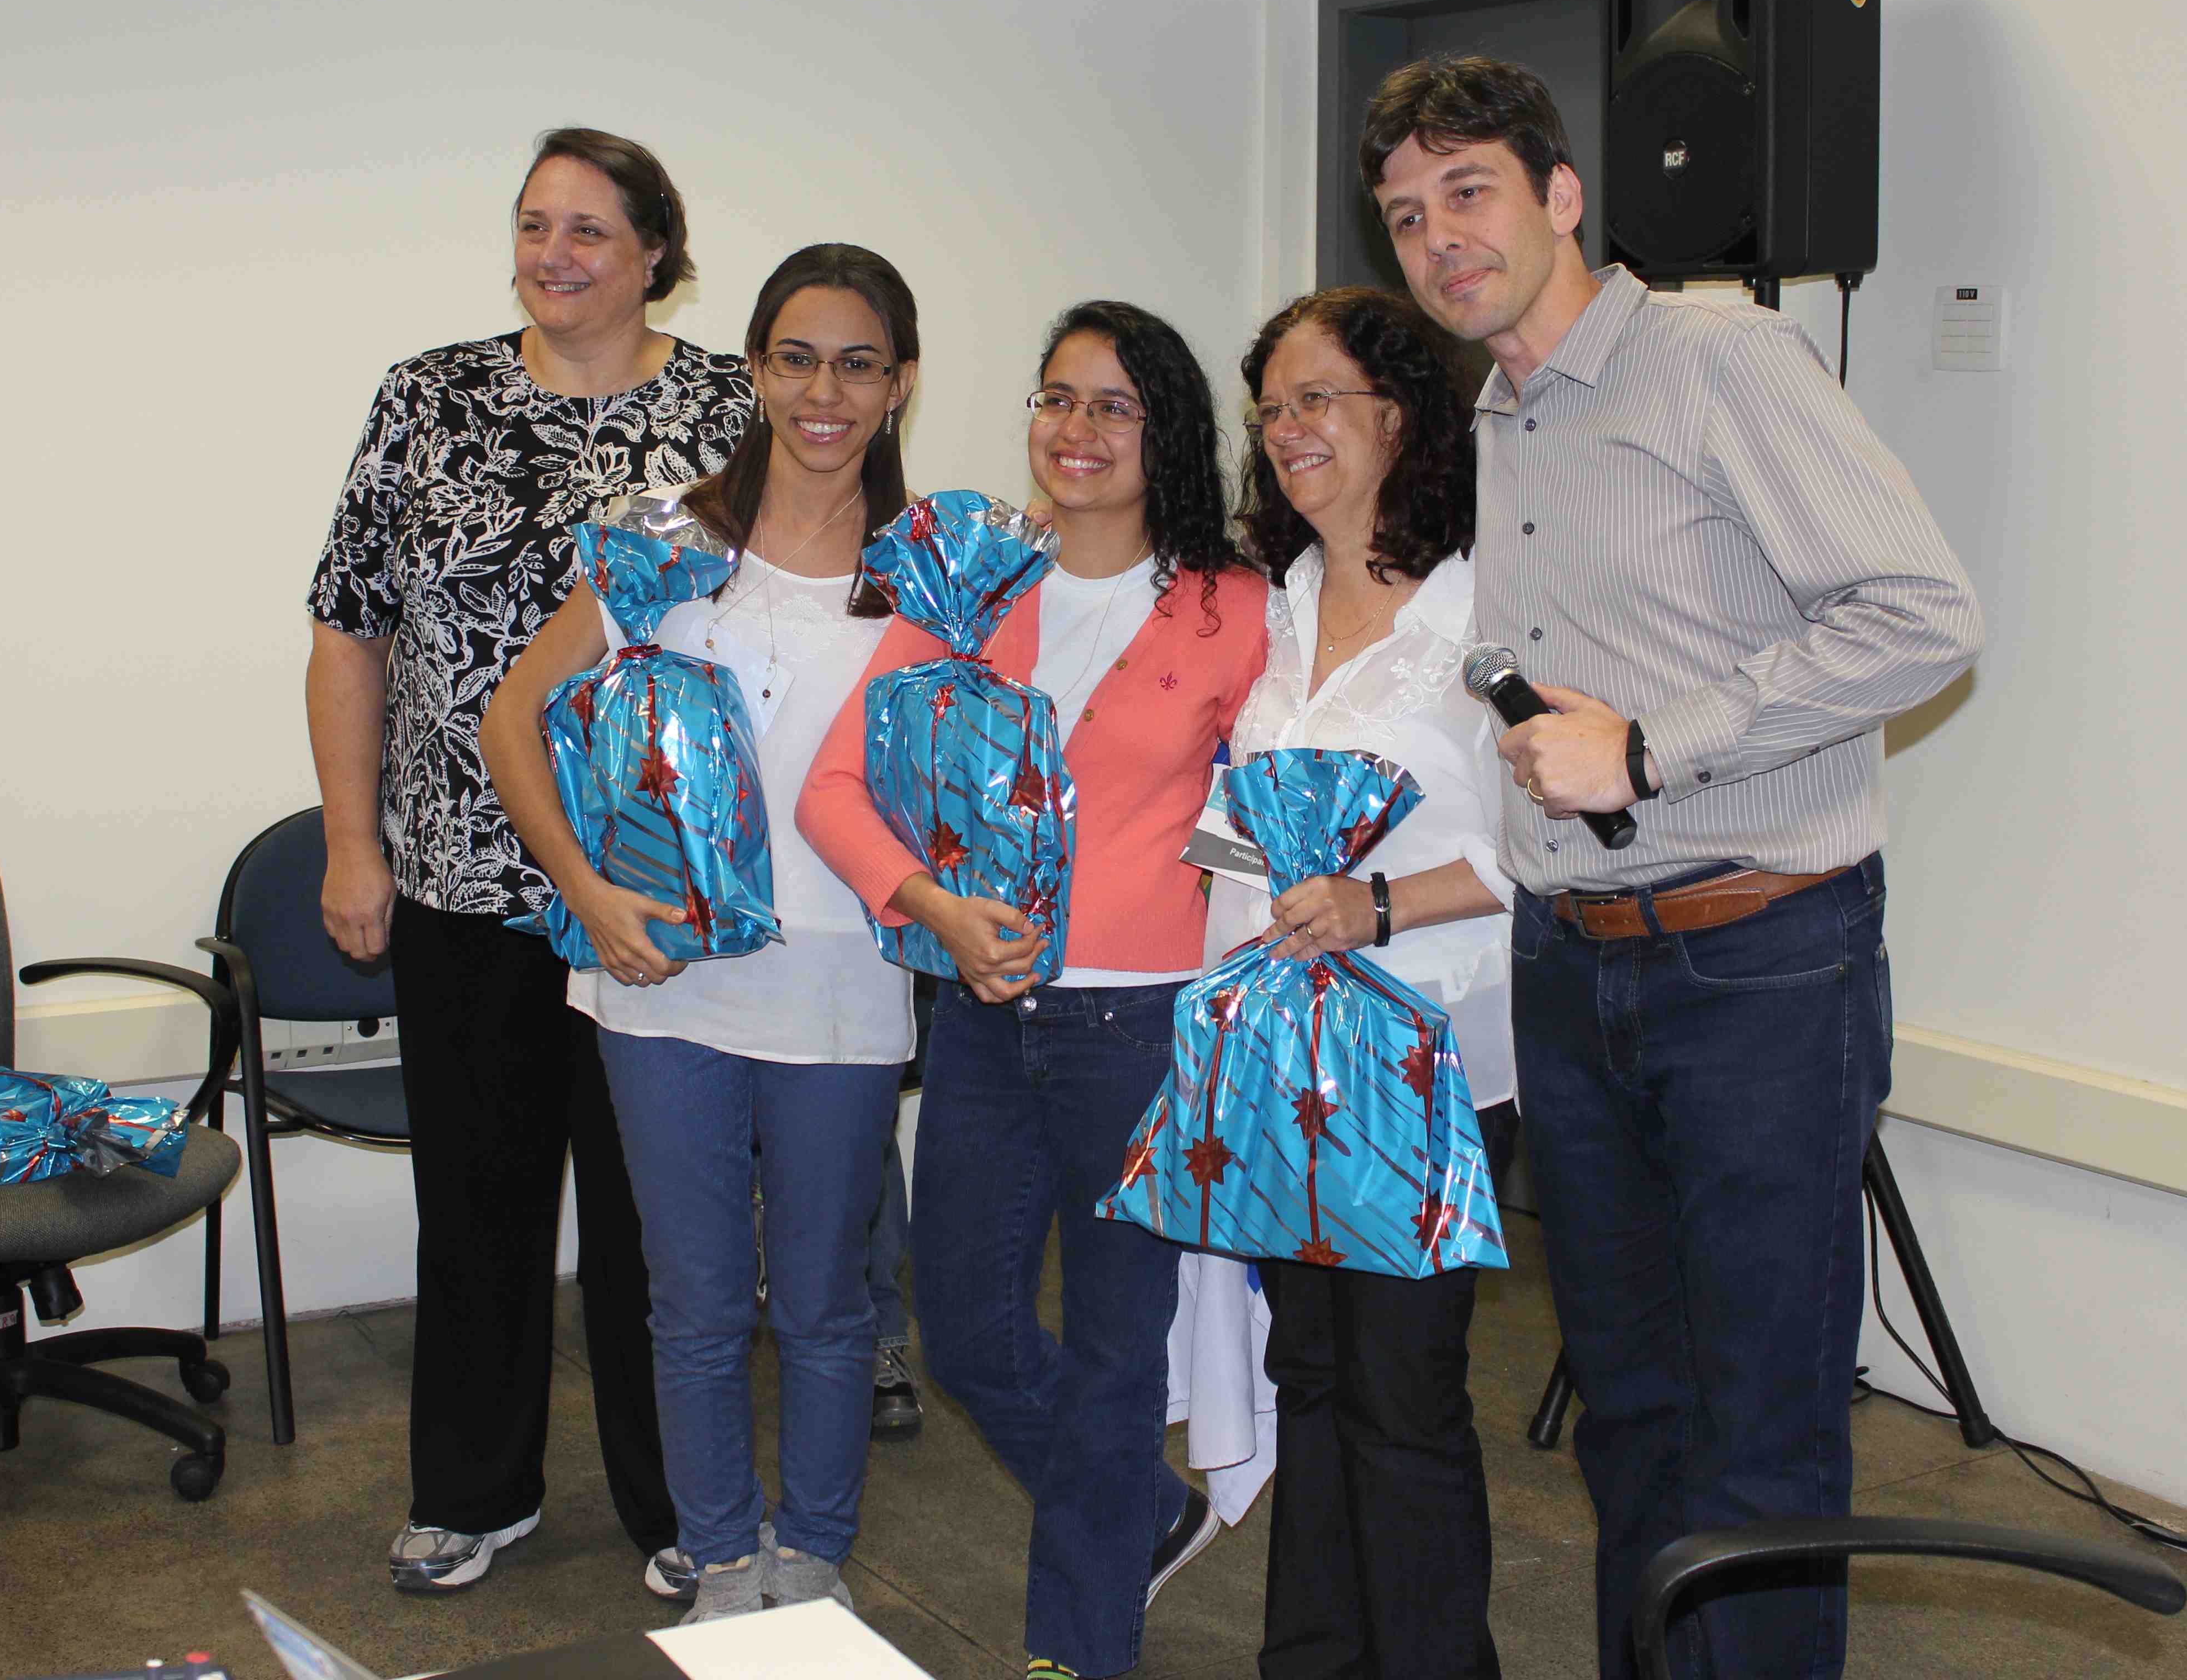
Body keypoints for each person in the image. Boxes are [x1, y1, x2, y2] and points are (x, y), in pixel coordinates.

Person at [1365, 55, 1984, 1680]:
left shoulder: (1722, 359)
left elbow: (1925, 616)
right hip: (1573, 961)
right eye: (1406, 216)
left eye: (1470, 192)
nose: (1438, 239)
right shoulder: (1499, 414)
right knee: (1631, 1415)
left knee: (1760, 1428)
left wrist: (1650, 748)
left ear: (1563, 195)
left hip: (1759, 961)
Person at [304, 127, 752, 1596]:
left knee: (657, 1222)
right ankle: (472, 1493)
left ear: (654, 253)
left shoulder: (731, 410)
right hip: (464, 884)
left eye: (589, 230)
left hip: (653, 891)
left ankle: (683, 1504)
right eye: (534, 224)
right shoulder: (426, 398)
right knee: (477, 1209)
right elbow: (349, 630)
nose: (552, 255)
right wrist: (352, 841)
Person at [798, 303, 1270, 1680]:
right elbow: (835, 787)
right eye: (1056, 398)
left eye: (1114, 405)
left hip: (1147, 1029)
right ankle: (1141, 1511)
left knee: (1120, 1363)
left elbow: (1264, 812)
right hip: (985, 1020)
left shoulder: (1234, 608)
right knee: (969, 1336)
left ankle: (1075, 1652)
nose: (1076, 429)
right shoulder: (972, 584)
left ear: (1166, 431)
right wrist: (935, 907)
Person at [478, 242, 922, 1622]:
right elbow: (511, 719)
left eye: (858, 364)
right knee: (696, 1305)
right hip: (659, 984)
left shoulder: (932, 572)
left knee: (829, 1306)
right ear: (754, 372)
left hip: (843, 989)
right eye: (797, 359)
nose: (824, 393)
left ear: (900, 385)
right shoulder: (665, 541)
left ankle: (816, 1557)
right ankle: (722, 1562)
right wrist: (585, 894)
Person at [1201, 284, 1520, 1680]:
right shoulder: (1272, 605)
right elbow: (1238, 826)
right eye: (1272, 408)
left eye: (1318, 398)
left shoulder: (1488, 604)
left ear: (1401, 414)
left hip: (1428, 1057)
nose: (1288, 429)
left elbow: (1550, 842)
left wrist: (1375, 905)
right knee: (1312, 1377)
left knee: (1402, 1392)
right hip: (1284, 1057)